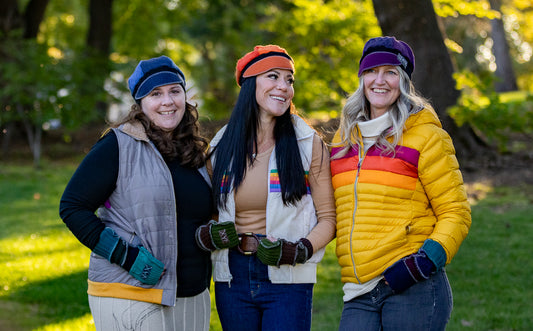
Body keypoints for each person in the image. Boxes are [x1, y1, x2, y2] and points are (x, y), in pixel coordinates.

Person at [59, 55, 213, 331]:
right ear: (140, 103)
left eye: (174, 91)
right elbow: (72, 207)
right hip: (130, 291)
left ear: (185, 97)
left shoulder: (195, 152)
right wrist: (125, 256)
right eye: (156, 93)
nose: (168, 101)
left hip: (192, 294)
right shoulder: (118, 145)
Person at [330, 36, 472, 330]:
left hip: (412, 285)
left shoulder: (425, 135)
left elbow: (456, 211)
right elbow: (335, 210)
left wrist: (424, 261)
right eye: (371, 71)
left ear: (403, 81)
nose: (379, 80)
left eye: (391, 72)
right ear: (362, 78)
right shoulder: (343, 141)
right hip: (358, 290)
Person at [194, 45, 336, 331]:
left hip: (288, 279)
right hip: (232, 277)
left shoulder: (307, 144)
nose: (284, 87)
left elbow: (329, 219)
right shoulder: (222, 146)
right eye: (273, 76)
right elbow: (208, 211)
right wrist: (209, 233)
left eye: (289, 80)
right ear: (250, 84)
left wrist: (299, 250)